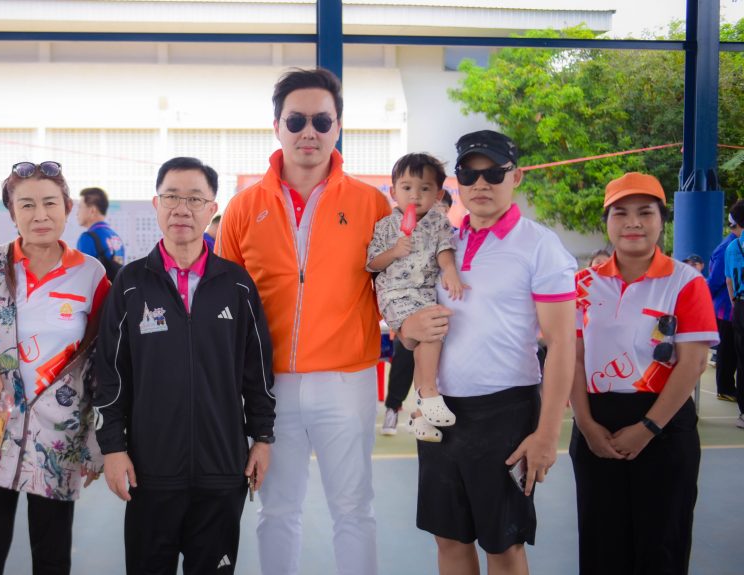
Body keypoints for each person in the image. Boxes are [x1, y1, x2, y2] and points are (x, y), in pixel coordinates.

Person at [218, 67, 391, 575]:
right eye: (296, 120)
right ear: (277, 126)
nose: (308, 132)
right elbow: (225, 305)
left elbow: (395, 289)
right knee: (277, 510)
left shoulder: (371, 203)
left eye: (321, 120)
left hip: (348, 379)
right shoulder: (243, 208)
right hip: (269, 386)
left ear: (338, 126)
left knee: (354, 509)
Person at [400, 130, 576, 574]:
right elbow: (411, 318)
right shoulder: (441, 240)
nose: (481, 184)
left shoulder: (540, 246)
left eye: (494, 173)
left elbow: (561, 344)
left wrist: (547, 435)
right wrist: (406, 330)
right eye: (469, 174)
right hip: (440, 410)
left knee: (503, 544)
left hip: (506, 412)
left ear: (516, 177)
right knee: (449, 538)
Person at [94, 157, 275, 574]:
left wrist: (263, 438)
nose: (182, 209)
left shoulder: (237, 285)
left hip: (222, 471)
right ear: (156, 204)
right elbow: (111, 374)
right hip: (150, 472)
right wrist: (114, 448)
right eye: (172, 197)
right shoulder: (130, 284)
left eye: (195, 199)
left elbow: (258, 372)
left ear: (212, 209)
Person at [0, 161, 107, 575]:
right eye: (27, 205)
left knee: (52, 559)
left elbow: (102, 363)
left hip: (59, 442)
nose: (40, 215)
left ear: (68, 208)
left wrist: (98, 439)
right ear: (12, 213)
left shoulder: (91, 274)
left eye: (50, 203)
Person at [571, 172, 716, 575]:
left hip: (664, 425)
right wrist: (586, 425)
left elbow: (692, 363)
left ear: (661, 220)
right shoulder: (582, 284)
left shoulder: (686, 282)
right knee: (601, 543)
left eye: (645, 212)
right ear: (607, 221)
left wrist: (648, 428)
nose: (633, 222)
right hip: (596, 423)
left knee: (661, 545)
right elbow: (573, 359)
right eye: (620, 213)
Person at [366, 153, 463, 442]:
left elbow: (444, 250)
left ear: (439, 194)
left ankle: (420, 415)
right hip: (396, 295)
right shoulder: (385, 226)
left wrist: (450, 270)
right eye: (407, 187)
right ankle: (428, 393)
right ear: (393, 191)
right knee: (431, 331)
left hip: (425, 294)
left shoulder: (439, 222)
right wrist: (395, 251)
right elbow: (371, 263)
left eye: (425, 188)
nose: (415, 195)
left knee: (431, 341)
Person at [709, 202, 744, 403]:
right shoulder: (728, 248)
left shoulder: (734, 244)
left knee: (732, 351)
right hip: (727, 308)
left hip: (732, 307)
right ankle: (725, 388)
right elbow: (716, 281)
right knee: (728, 351)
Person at [723, 203, 744, 429]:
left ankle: (743, 413)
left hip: (740, 306)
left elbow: (729, 280)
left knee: (742, 360)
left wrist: (735, 304)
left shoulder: (732, 247)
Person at [76, 186, 125, 280]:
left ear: (92, 211)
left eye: (80, 207)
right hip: (115, 288)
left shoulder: (87, 238)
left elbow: (83, 278)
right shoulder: (116, 237)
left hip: (97, 289)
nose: (77, 213)